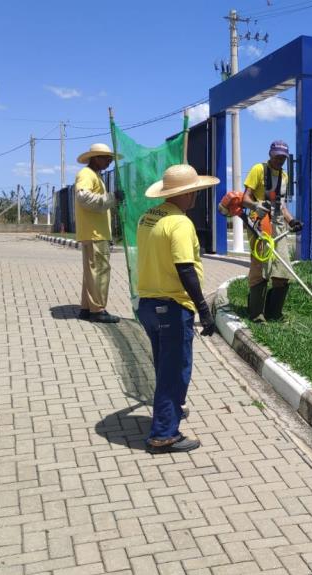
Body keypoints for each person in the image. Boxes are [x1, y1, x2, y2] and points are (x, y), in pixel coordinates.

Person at [136, 164, 219, 453]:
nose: (197, 195)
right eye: (195, 190)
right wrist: (204, 309)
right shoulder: (180, 223)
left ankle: (170, 411)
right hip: (171, 306)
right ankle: (163, 435)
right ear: (187, 193)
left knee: (164, 365)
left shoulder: (148, 217)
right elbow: (185, 268)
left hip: (147, 304)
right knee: (175, 371)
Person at [241, 140, 303, 322]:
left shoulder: (284, 176)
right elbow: (245, 199)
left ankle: (274, 314)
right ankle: (257, 314)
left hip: (278, 225)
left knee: (282, 272)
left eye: (283, 157)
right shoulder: (258, 170)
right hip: (260, 224)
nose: (279, 160)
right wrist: (256, 205)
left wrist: (292, 220)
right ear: (270, 154)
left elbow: (281, 205)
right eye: (277, 156)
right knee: (260, 270)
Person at [74, 143, 120, 323]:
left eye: (110, 159)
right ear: (95, 158)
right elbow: (83, 197)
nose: (109, 161)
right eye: (106, 158)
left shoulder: (95, 176)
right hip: (95, 233)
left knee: (91, 273)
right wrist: (111, 198)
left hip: (94, 232)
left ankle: (87, 308)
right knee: (100, 272)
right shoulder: (87, 174)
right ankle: (98, 310)